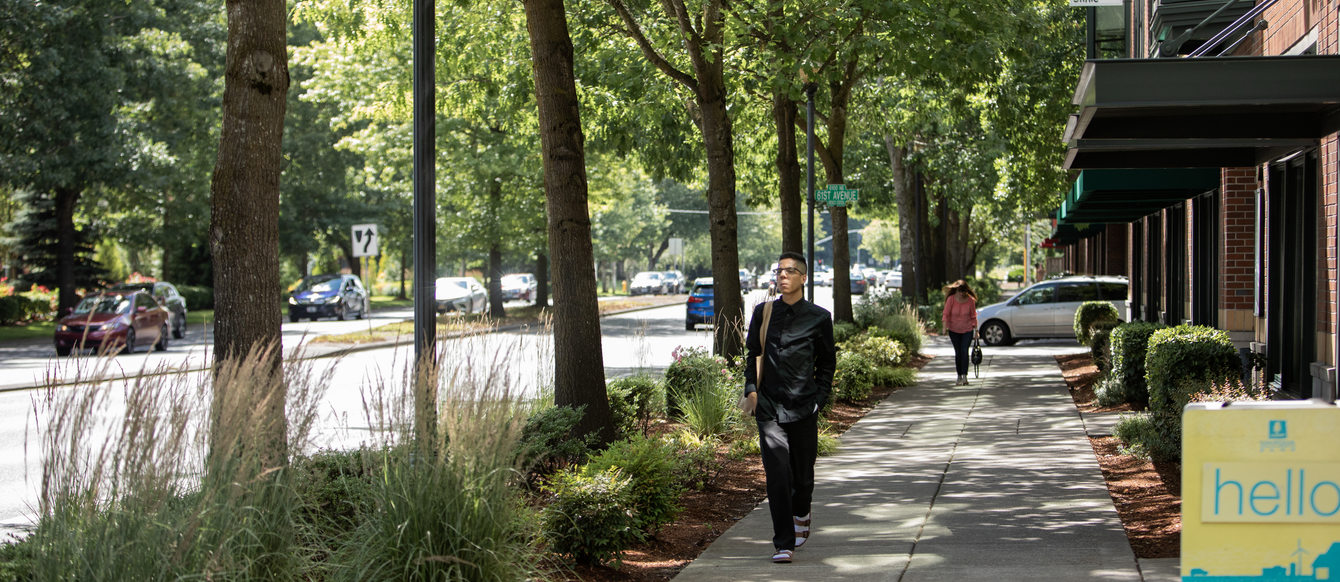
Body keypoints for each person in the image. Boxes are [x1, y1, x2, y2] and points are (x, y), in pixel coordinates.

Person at [741, 251, 836, 564]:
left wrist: (818, 400)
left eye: (790, 271)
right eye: (779, 271)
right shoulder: (763, 312)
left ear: (803, 278)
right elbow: (752, 354)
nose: (783, 276)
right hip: (769, 407)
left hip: (804, 407)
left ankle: (802, 510)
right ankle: (783, 542)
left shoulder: (819, 317)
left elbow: (826, 364)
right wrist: (752, 391)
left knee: (803, 479)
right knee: (777, 474)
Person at [941, 279, 979, 386]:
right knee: (958, 352)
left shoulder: (970, 300)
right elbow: (946, 314)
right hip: (954, 330)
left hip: (967, 329)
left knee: (964, 351)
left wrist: (976, 331)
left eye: (964, 291)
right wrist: (944, 328)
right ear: (956, 290)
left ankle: (965, 376)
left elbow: (973, 316)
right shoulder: (951, 299)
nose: (962, 294)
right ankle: (959, 376)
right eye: (959, 291)